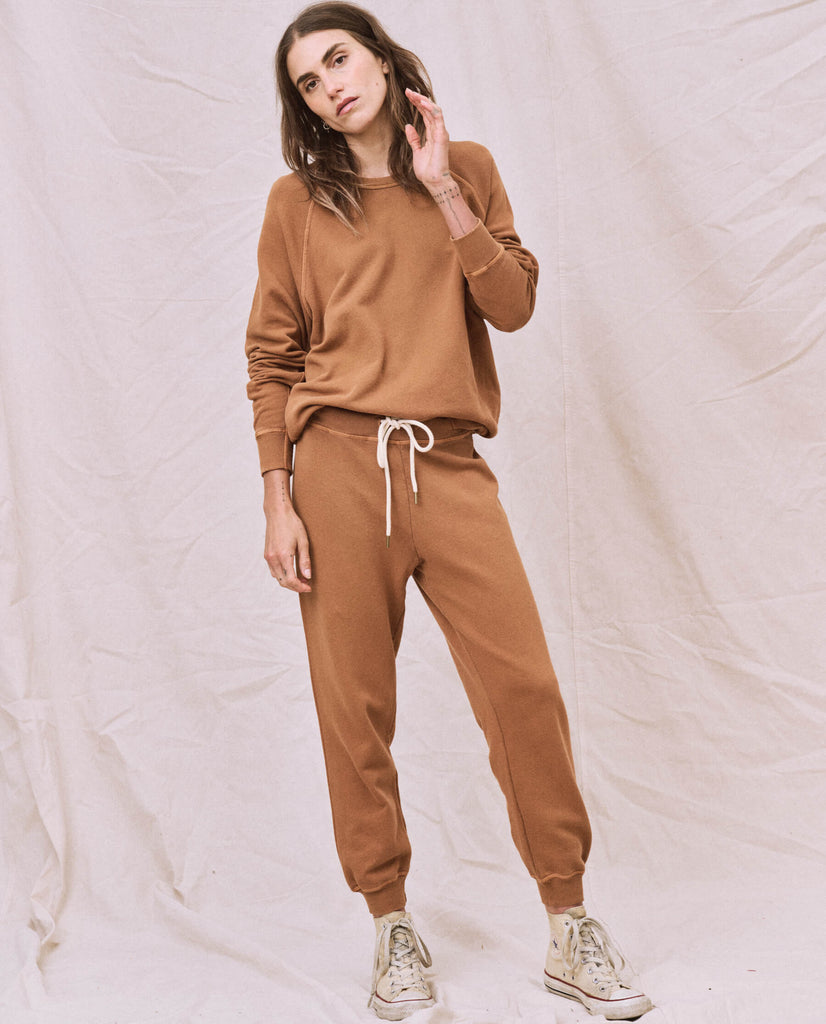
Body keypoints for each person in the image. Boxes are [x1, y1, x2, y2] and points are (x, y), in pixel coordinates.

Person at [245, 3, 652, 1019]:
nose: (331, 86)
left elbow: (511, 305)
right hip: (336, 468)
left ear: (382, 59)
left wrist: (442, 194)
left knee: (524, 690)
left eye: (340, 58)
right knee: (352, 707)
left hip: (449, 462)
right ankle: (391, 925)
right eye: (308, 82)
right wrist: (276, 497)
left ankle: (568, 922)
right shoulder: (297, 204)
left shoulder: (463, 168)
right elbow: (272, 357)